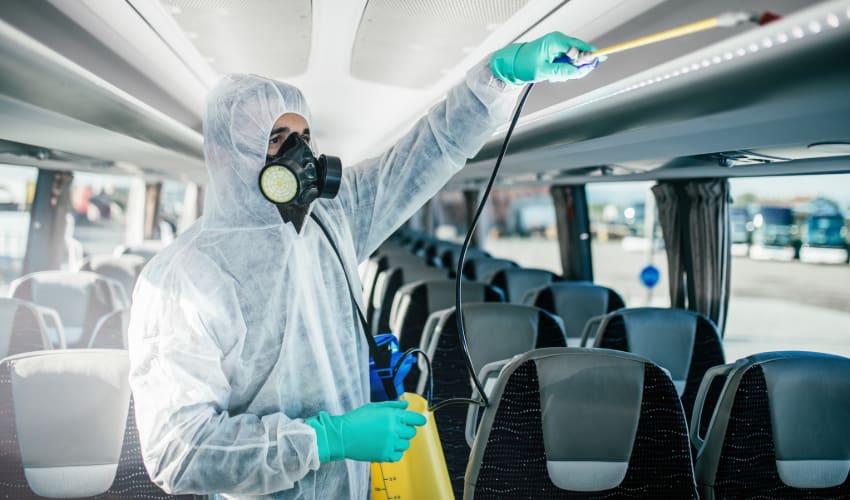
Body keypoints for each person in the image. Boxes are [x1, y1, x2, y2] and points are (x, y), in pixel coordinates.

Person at [128, 32, 601, 499]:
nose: (301, 156)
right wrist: (328, 439)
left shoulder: (332, 220)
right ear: (222, 156)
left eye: (304, 137)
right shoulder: (183, 279)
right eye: (276, 139)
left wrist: (499, 76)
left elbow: (427, 151)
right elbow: (179, 450)